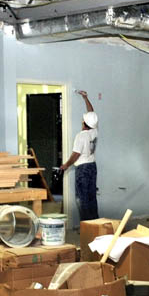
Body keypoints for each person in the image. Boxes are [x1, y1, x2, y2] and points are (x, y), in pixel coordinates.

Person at [60, 91, 99, 220]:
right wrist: (85, 98)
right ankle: (95, 225)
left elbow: (76, 154)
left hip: (82, 169)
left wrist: (66, 165)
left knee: (82, 199)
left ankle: (87, 227)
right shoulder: (94, 132)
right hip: (92, 166)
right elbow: (92, 113)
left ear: (84, 122)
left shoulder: (81, 136)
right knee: (91, 196)